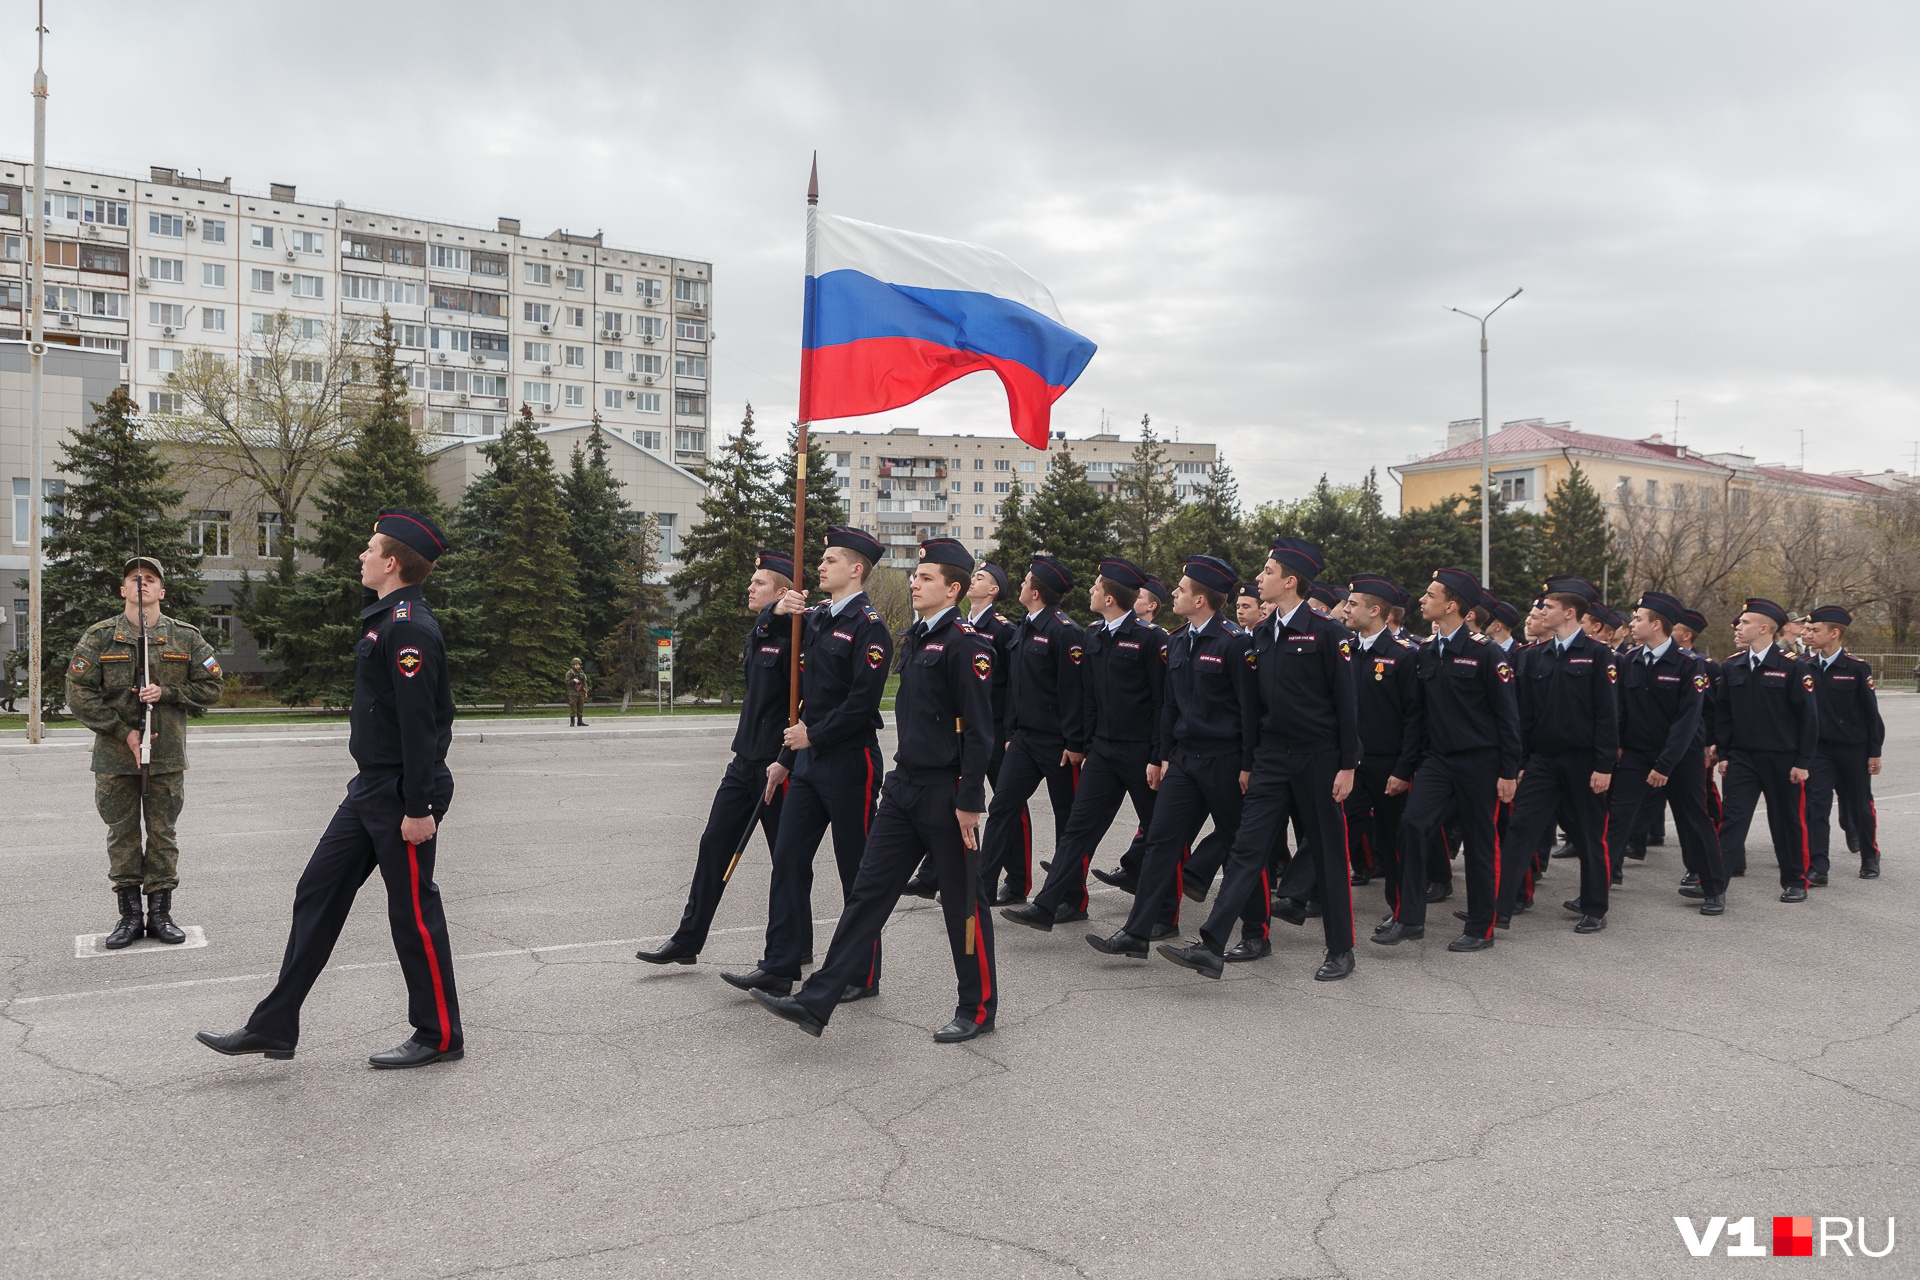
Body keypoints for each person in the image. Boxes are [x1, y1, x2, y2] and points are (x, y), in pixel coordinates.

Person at [198, 510, 462, 1067]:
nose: (360, 556)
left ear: (391, 563)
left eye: (369, 549)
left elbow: (422, 727)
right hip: (369, 789)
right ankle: (274, 1025)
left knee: (412, 911)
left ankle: (439, 1035)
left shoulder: (408, 625)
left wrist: (418, 807)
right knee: (317, 890)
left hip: (401, 794)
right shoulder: (383, 618)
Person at [749, 538, 998, 1043]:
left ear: (953, 589)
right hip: (905, 786)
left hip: (946, 794)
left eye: (926, 577)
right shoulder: (919, 638)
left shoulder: (966, 643)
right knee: (866, 895)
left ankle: (977, 1007)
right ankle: (817, 1000)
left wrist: (971, 801)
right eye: (916, 575)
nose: (915, 582)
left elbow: (980, 730)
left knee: (963, 905)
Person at [1160, 538, 1362, 982]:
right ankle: (1212, 943)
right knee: (1247, 849)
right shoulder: (1259, 636)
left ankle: (1341, 948)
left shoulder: (1328, 633)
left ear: (1290, 581)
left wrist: (1348, 765)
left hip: (1319, 758)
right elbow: (1252, 708)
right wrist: (1250, 762)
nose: (1259, 578)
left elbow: (1347, 704)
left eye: (1268, 572)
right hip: (1271, 757)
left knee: (1328, 854)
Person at [723, 527, 891, 999]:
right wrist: (775, 611)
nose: (820, 566)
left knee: (856, 870)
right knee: (789, 861)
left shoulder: (869, 625)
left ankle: (862, 973)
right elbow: (764, 653)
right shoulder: (813, 618)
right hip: (806, 760)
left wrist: (812, 734)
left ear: (856, 569)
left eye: (831, 560)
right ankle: (780, 963)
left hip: (849, 761)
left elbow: (862, 702)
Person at [1086, 555, 1260, 960]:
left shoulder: (1235, 643)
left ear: (1201, 600)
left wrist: (1249, 764)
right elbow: (1169, 706)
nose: (1174, 594)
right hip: (1183, 758)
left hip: (1225, 758)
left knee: (1240, 845)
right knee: (1160, 842)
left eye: (1181, 590)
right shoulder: (1178, 640)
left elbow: (1251, 711)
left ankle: (1256, 932)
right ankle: (1136, 933)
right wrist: (1161, 756)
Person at [637, 550, 796, 966]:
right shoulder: (761, 631)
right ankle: (688, 940)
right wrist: (771, 614)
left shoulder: (799, 636)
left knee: (788, 862)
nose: (750, 587)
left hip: (778, 768)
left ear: (783, 593)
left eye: (759, 583)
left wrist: (785, 759)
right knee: (713, 845)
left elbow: (806, 705)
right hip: (744, 762)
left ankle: (796, 945)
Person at [66, 556, 223, 949]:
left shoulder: (184, 637)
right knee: (122, 835)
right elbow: (78, 692)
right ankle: (129, 917)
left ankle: (160, 914)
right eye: (135, 579)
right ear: (123, 590)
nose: (142, 584)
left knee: (162, 835)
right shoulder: (101, 637)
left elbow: (212, 687)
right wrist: (122, 731)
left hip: (166, 754)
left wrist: (168, 693)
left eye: (150, 579)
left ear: (161, 591)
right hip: (116, 757)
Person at [1003, 558, 1166, 932]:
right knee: (1077, 829)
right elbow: (1088, 696)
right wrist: (1086, 742)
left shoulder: (1151, 638)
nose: (1090, 590)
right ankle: (1047, 905)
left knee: (1158, 832)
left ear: (1109, 598)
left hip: (1141, 752)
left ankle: (1164, 915)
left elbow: (1161, 703)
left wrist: (1159, 755)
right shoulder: (1094, 633)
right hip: (1103, 752)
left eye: (1096, 587)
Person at [1390, 567, 1522, 950]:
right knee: (1413, 825)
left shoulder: (1486, 652)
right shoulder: (1427, 652)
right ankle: (1410, 917)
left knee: (1481, 844)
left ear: (1451, 605)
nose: (1422, 600)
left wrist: (1508, 770)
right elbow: (1418, 717)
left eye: (1430, 595)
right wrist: (1406, 767)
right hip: (1437, 760)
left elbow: (1507, 716)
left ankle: (1482, 927)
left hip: (1480, 762)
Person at [1490, 576, 1618, 934]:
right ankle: (1500, 907)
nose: (1542, 611)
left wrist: (1604, 764)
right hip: (1543, 760)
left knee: (1589, 834)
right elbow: (1524, 716)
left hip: (1584, 760)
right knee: (1520, 828)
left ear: (1570, 613)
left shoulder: (1597, 654)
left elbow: (1608, 714)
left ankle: (1595, 907)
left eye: (1548, 607)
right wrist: (1518, 762)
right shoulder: (1533, 656)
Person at [904, 561, 1023, 899]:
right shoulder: (957, 625)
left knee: (1006, 804)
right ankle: (931, 875)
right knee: (949, 803)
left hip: (995, 727)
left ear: (994, 589)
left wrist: (1013, 730)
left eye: (982, 577)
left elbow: (1016, 686)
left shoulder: (1003, 630)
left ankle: (1017, 879)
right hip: (959, 732)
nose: (975, 581)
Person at [1608, 591, 1727, 916]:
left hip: (1680, 757)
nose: (1631, 624)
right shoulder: (1629, 660)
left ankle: (1714, 888)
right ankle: (1597, 887)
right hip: (1636, 755)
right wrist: (1616, 746)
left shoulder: (1691, 665)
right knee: (1618, 819)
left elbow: (1688, 721)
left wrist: (1665, 764)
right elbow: (1620, 711)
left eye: (1637, 619)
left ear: (1656, 624)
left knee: (1694, 820)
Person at [978, 555, 1086, 906]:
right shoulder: (1024, 626)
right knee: (1001, 808)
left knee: (1067, 819)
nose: (1022, 584)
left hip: (1058, 744)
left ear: (1037, 592)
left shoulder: (1065, 630)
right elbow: (1014, 687)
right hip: (1023, 739)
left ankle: (1072, 897)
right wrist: (1010, 731)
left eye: (1026, 581)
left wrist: (1074, 742)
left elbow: (1074, 692)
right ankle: (981, 886)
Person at [1712, 598, 1818, 902]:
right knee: (1732, 821)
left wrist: (1803, 761)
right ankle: (1716, 887)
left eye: (1744, 622)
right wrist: (1726, 754)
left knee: (1786, 820)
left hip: (1783, 760)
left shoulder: (1792, 666)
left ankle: (1795, 880)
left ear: (1764, 628)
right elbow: (1724, 715)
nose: (1738, 626)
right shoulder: (1732, 665)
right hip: (1743, 758)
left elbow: (1809, 719)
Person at [1342, 575, 1423, 925]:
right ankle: (1306, 895)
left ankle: (1403, 913)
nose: (1346, 609)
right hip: (1351, 762)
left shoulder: (1403, 656)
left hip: (1389, 765)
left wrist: (1403, 770)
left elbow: (1415, 720)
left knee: (1394, 843)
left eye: (1353, 604)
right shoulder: (1346, 650)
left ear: (1376, 611)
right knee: (1338, 829)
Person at [1801, 605, 1883, 881]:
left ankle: (1870, 856)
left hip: (1853, 749)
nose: (1808, 634)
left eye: (1815, 630)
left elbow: (1871, 713)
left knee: (1860, 805)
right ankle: (1818, 866)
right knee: (1816, 806)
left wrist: (1874, 752)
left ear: (1834, 633)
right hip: (1819, 750)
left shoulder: (1856, 668)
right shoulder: (1805, 667)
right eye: (1808, 629)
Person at [566, 658, 591, 726]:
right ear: (573, 665)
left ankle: (580, 721)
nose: (577, 666)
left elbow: (584, 683)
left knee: (580, 707)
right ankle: (572, 722)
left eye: (578, 665)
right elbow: (567, 682)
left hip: (581, 693)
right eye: (576, 665)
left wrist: (585, 691)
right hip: (573, 693)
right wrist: (573, 680)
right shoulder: (570, 673)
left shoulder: (581, 673)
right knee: (573, 707)